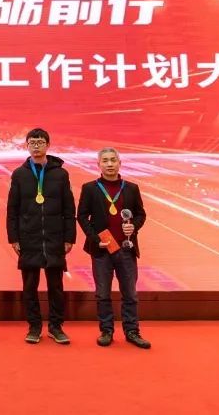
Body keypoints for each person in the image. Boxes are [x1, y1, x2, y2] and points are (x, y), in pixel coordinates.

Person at [77, 147, 151, 349]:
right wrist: (95, 240)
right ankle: (106, 330)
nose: (109, 164)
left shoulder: (131, 188)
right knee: (103, 294)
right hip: (102, 249)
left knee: (130, 294)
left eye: (113, 160)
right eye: (105, 161)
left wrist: (133, 226)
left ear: (120, 163)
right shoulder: (90, 188)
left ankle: (132, 331)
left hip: (126, 248)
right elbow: (82, 216)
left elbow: (141, 214)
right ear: (98, 165)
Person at [7, 128, 75, 345]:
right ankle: (34, 326)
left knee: (56, 287)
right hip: (29, 238)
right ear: (27, 146)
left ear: (48, 145)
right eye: (32, 142)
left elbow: (69, 209)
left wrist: (69, 238)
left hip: (55, 238)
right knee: (30, 287)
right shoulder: (19, 174)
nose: (36, 146)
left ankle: (56, 327)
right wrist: (14, 238)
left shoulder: (61, 174)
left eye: (40, 142)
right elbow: (12, 209)